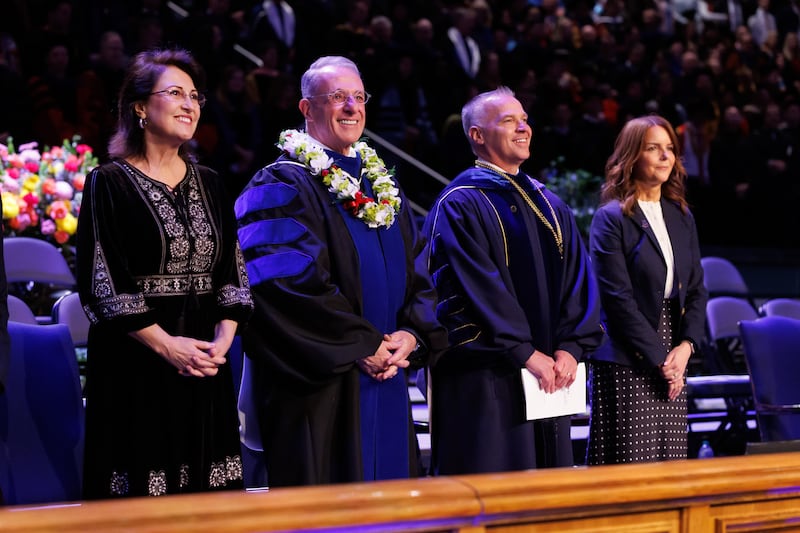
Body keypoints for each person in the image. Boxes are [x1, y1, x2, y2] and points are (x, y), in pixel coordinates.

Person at [234, 55, 446, 487]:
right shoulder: (279, 184)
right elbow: (282, 284)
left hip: (388, 371)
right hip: (322, 387)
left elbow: (420, 272)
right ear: (306, 109)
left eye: (357, 97)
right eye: (337, 97)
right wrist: (360, 345)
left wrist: (413, 335)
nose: (351, 107)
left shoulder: (383, 187)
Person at [76, 48, 254, 499]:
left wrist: (221, 345)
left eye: (195, 96)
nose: (189, 104)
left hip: (204, 363)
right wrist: (167, 346)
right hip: (136, 363)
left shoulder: (211, 182)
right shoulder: (108, 181)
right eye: (175, 93)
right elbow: (103, 282)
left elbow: (232, 274)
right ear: (139, 107)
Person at [422, 86, 604, 475]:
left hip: (552, 378)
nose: (523, 128)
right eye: (508, 120)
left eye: (524, 119)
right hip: (488, 378)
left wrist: (570, 348)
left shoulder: (551, 204)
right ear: (477, 135)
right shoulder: (460, 202)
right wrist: (525, 352)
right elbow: (475, 288)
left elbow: (579, 280)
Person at [586, 114, 707, 464]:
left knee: (669, 468)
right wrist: (661, 360)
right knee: (630, 467)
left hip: (673, 352)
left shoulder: (681, 214)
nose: (665, 156)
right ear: (632, 156)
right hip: (628, 355)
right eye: (654, 148)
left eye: (670, 149)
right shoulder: (611, 218)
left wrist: (685, 348)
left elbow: (697, 289)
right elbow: (618, 300)